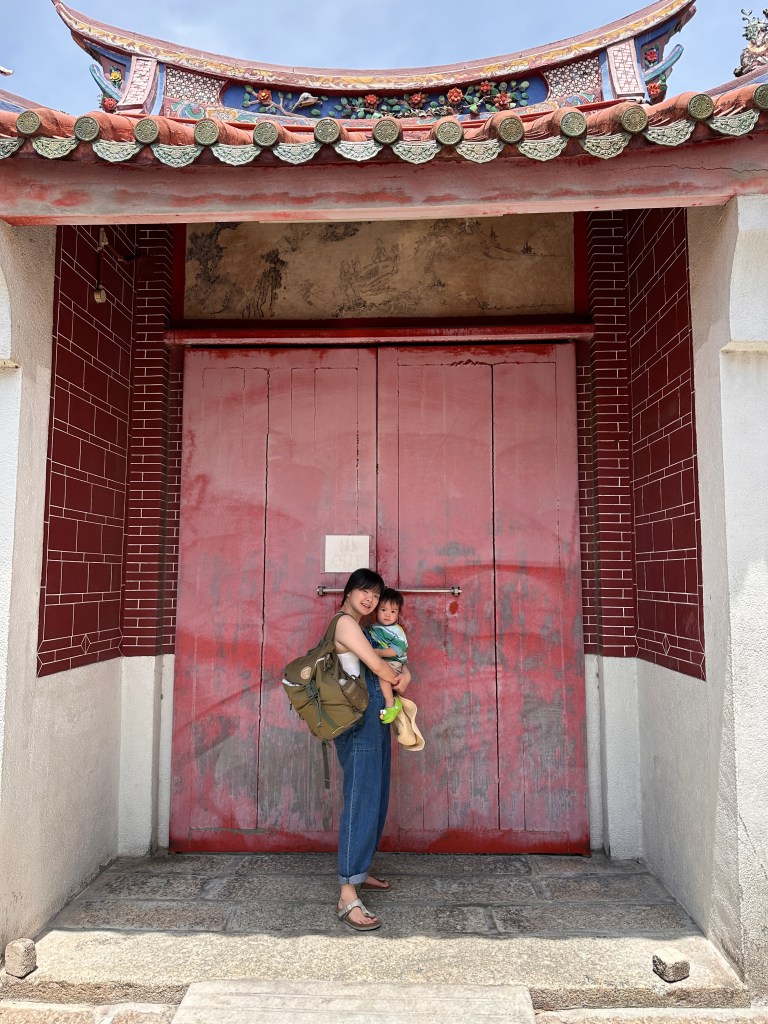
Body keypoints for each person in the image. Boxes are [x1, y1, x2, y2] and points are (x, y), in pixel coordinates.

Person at [332, 568, 411, 932]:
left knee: (376, 799)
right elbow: (378, 664)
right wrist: (400, 675)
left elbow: (389, 666)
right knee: (360, 801)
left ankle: (360, 871)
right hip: (358, 723)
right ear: (349, 592)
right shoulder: (345, 624)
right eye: (364, 591)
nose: (370, 599)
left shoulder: (365, 628)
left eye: (376, 595)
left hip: (374, 718)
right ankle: (347, 893)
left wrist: (401, 675)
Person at [369, 587, 408, 724]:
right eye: (383, 610)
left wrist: (380, 652)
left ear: (398, 614)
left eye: (393, 611)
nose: (387, 615)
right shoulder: (373, 628)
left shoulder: (397, 631)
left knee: (383, 674)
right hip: (381, 661)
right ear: (376, 610)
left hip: (393, 661)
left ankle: (391, 703)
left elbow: (398, 649)